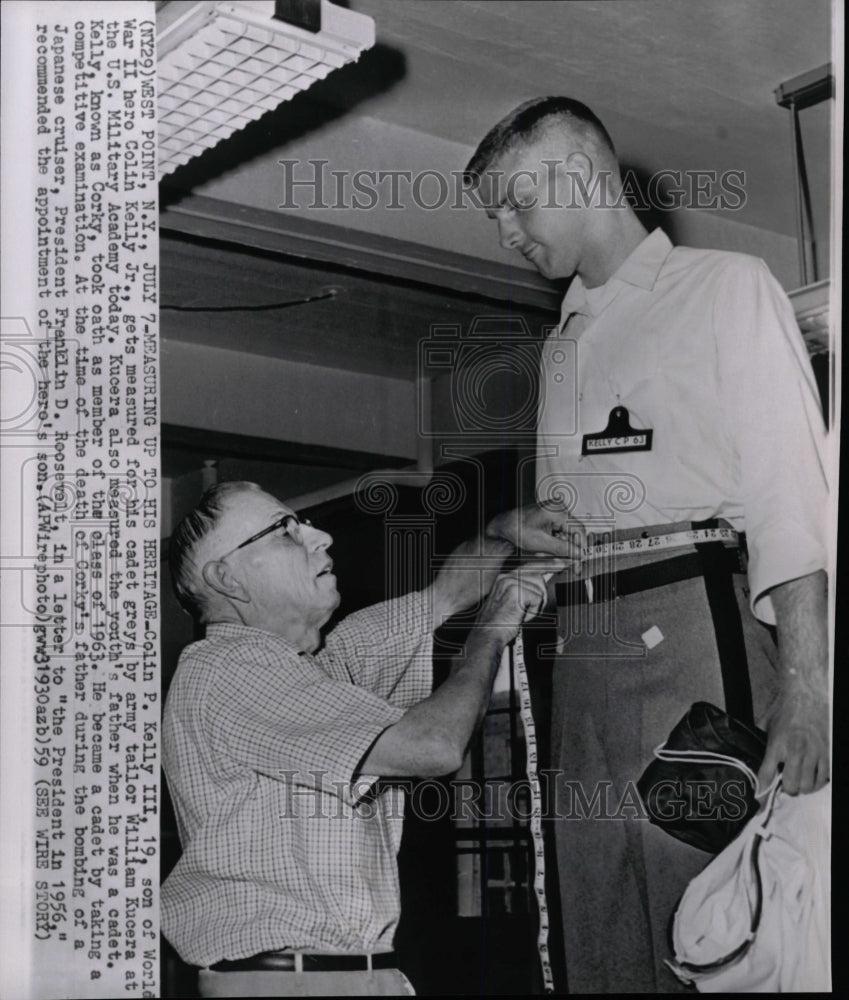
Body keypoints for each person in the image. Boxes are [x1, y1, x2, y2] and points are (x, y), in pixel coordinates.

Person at [463, 97, 830, 993]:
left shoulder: (726, 286)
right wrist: (516, 533)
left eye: (516, 202)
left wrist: (805, 685)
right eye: (495, 215)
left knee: (707, 914)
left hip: (694, 634)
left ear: (585, 176)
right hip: (582, 653)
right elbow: (564, 518)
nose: (506, 231)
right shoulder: (561, 345)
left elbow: (791, 498)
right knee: (596, 918)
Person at [161, 480, 583, 997]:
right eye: (284, 532)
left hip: (340, 975)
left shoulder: (318, 668)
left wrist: (499, 536)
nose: (321, 538)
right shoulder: (228, 671)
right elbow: (433, 747)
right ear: (227, 577)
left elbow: (445, 596)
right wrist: (492, 632)